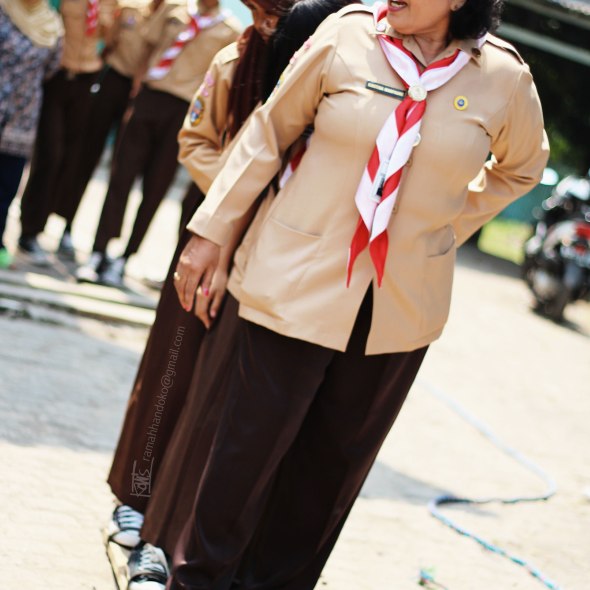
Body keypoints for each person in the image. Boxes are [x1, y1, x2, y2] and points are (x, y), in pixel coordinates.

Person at [169, 0, 550, 587]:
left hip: (399, 308)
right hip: (298, 282)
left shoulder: (504, 77)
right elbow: (269, 131)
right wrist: (210, 232)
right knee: (243, 455)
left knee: (328, 473)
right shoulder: (346, 35)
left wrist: (445, 224)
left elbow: (522, 168)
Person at [75, 0, 241, 287]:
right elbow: (148, 50)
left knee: (156, 187)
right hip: (150, 96)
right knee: (121, 176)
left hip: (184, 111)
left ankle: (125, 257)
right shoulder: (175, 9)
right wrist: (137, 90)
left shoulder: (230, 31)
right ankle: (98, 251)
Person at [17, 0, 117, 266]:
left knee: (71, 159)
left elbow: (110, 39)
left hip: (87, 79)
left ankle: (50, 226)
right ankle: (29, 229)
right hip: (58, 75)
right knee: (50, 154)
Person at [54, 0, 159, 248]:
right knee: (86, 154)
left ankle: (103, 243)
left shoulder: (177, 18)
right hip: (113, 82)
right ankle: (66, 222)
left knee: (123, 169)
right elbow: (108, 42)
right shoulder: (130, 9)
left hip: (143, 94)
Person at [0, 0, 63, 269]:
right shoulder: (4, 9)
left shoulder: (52, 25)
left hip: (22, 116)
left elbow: (52, 67)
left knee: (7, 184)